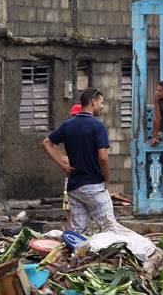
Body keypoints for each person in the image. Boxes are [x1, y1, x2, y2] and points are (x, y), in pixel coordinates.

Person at [41, 88, 116, 234]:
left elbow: (45, 143)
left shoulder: (67, 125)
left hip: (74, 188)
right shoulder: (97, 126)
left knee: (78, 233)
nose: (102, 106)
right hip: (94, 185)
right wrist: (107, 178)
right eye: (101, 102)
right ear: (93, 102)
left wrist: (63, 166)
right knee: (111, 230)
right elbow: (103, 157)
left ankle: (76, 256)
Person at [56, 104, 83, 230]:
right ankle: (71, 228)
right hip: (71, 170)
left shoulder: (88, 128)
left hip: (85, 171)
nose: (75, 118)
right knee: (68, 203)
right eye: (73, 115)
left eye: (76, 115)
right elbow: (50, 142)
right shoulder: (68, 128)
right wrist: (61, 156)